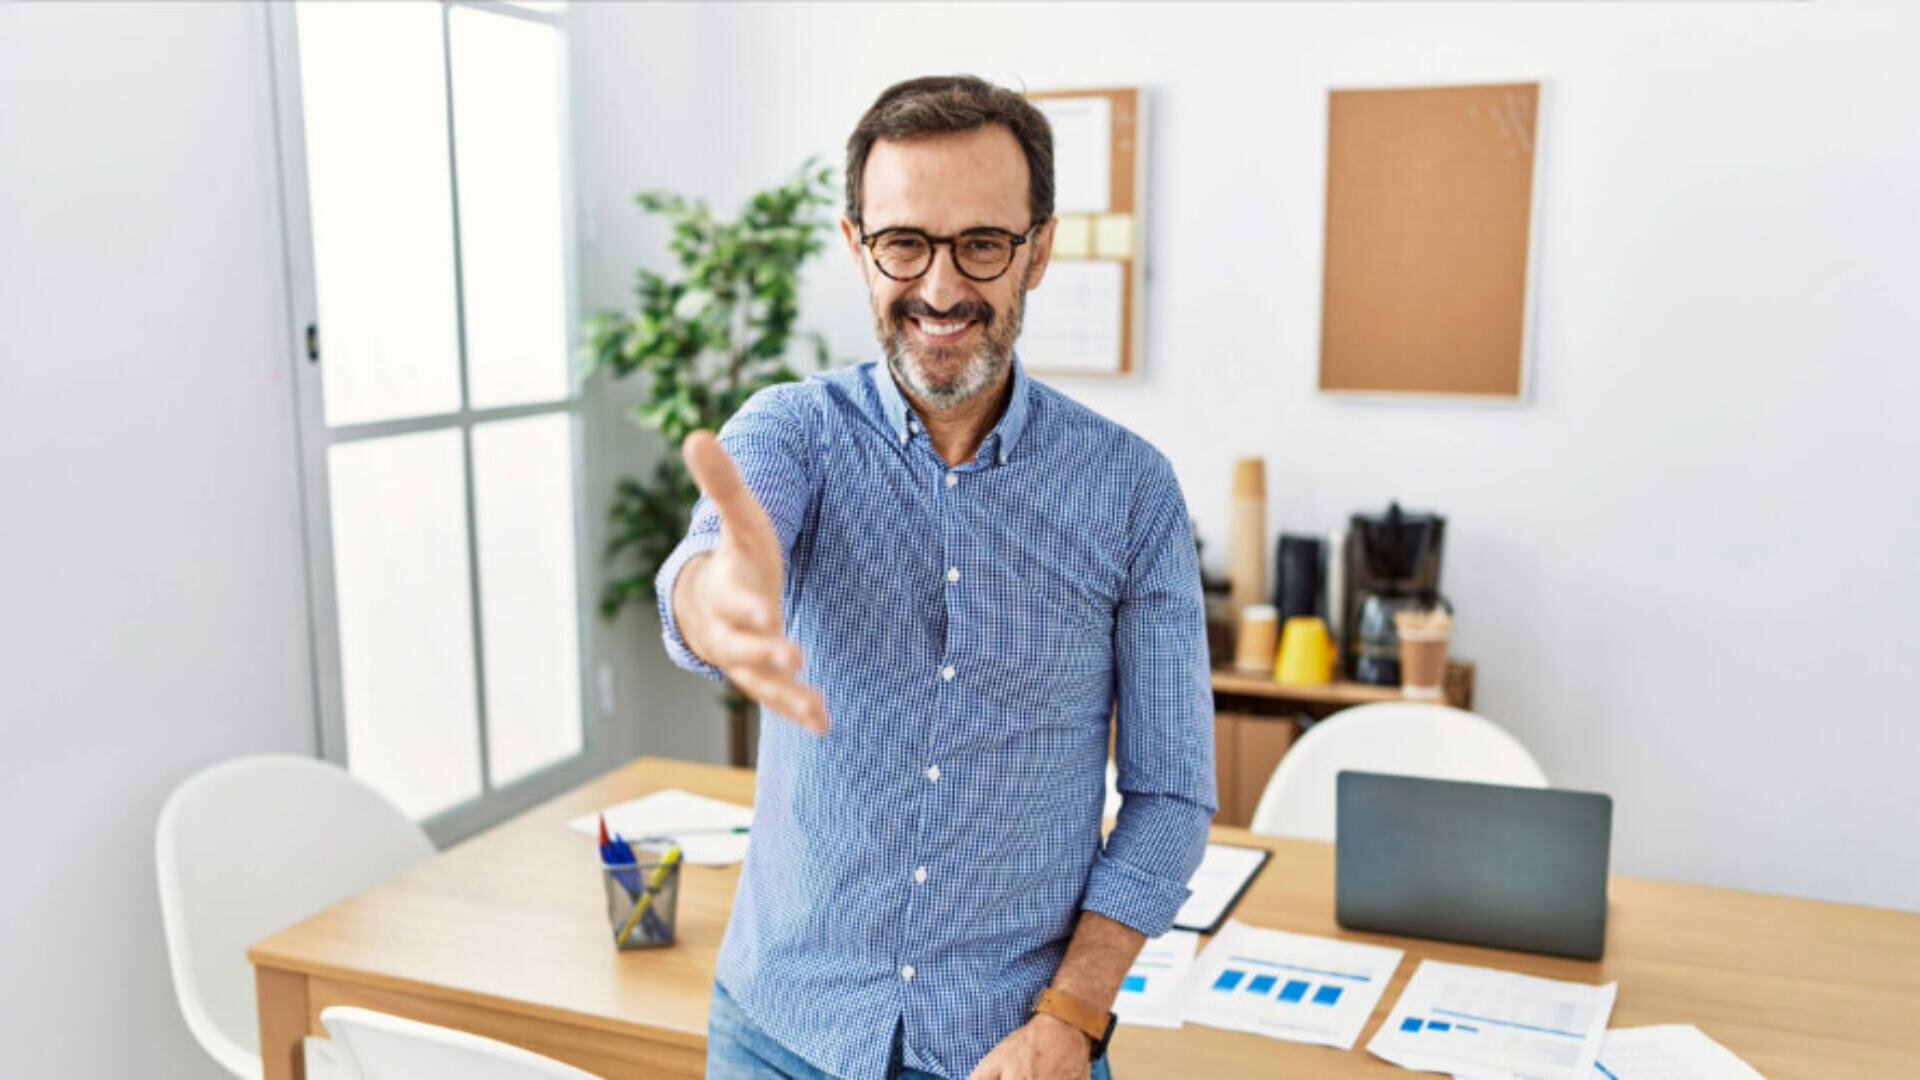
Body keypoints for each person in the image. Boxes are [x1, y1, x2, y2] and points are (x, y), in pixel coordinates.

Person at [658, 75, 1215, 1080]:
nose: (943, 289)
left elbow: (1170, 796)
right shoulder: (792, 432)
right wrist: (719, 601)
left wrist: (1072, 1017)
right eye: (905, 243)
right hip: (780, 1032)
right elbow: (715, 563)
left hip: (1014, 1048)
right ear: (855, 244)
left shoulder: (1132, 492)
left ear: (1038, 249)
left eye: (983, 244)